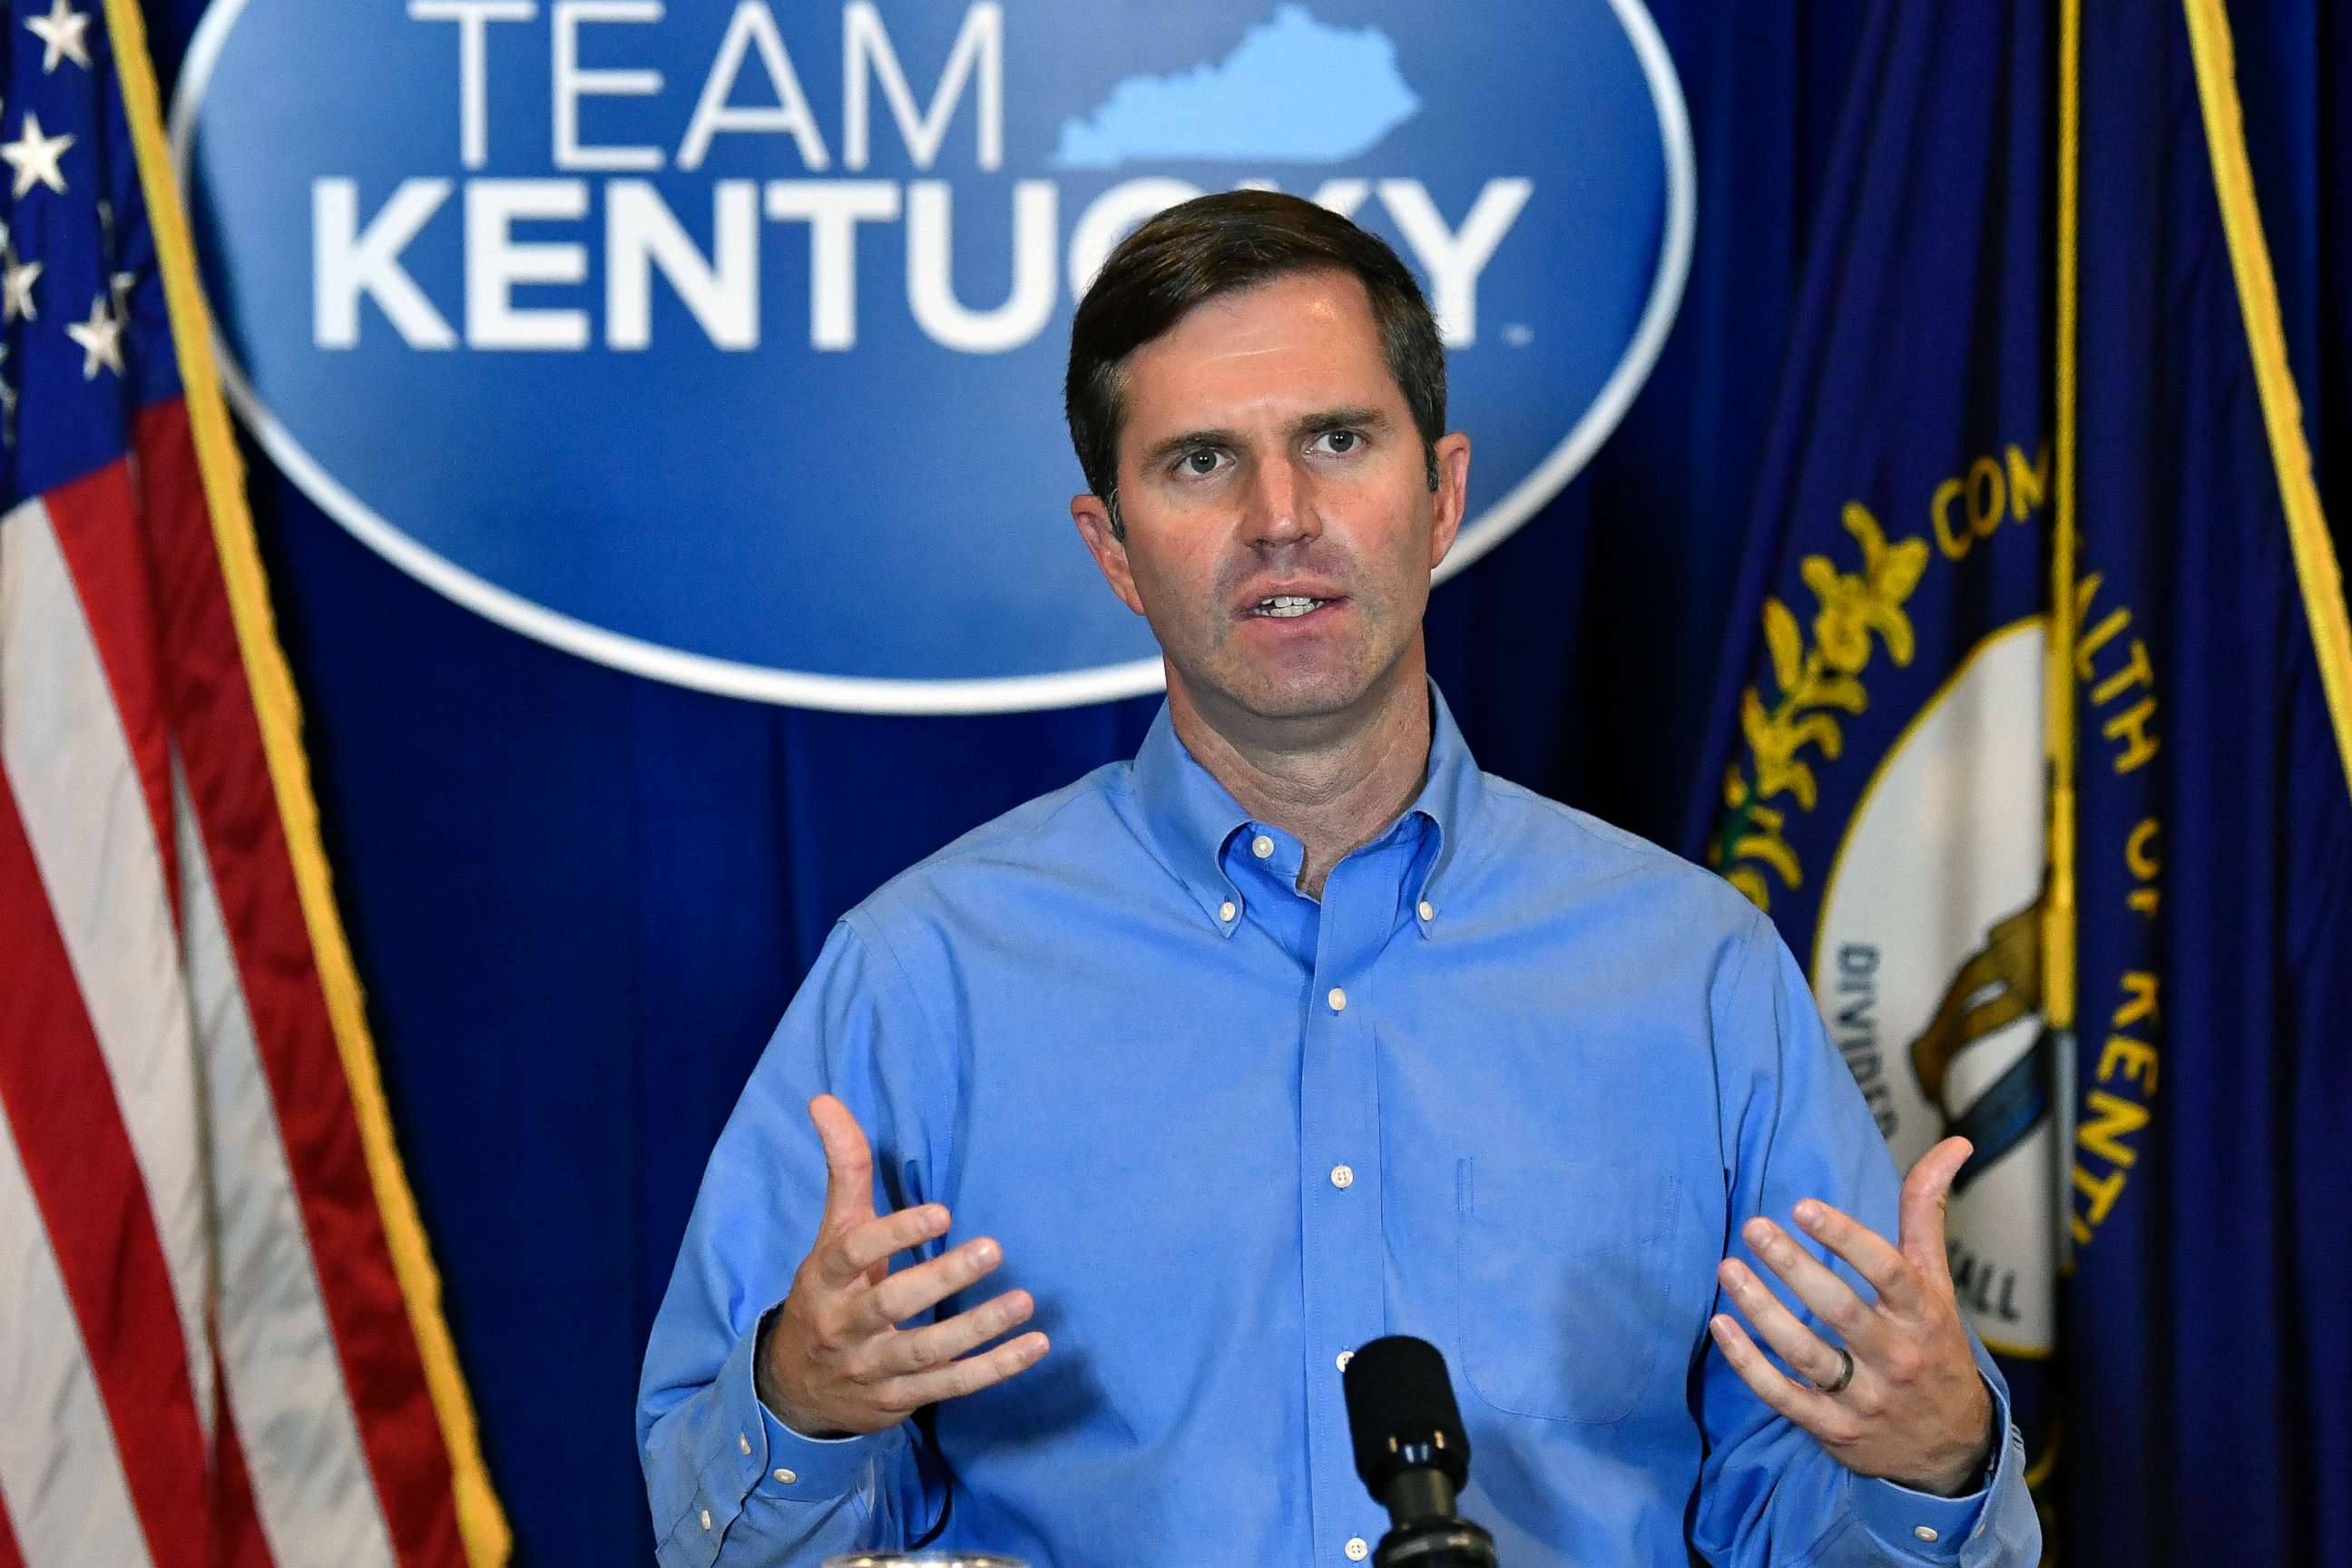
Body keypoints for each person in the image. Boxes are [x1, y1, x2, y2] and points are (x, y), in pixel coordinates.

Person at [636, 191, 2040, 1568]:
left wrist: (1933, 1464)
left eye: (1337, 439)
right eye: (1200, 462)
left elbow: (1805, 1523)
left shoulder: (1695, 975)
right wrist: (803, 1409)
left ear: (1440, 493)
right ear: (1111, 548)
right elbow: (712, 1540)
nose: (1282, 516)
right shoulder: (924, 976)